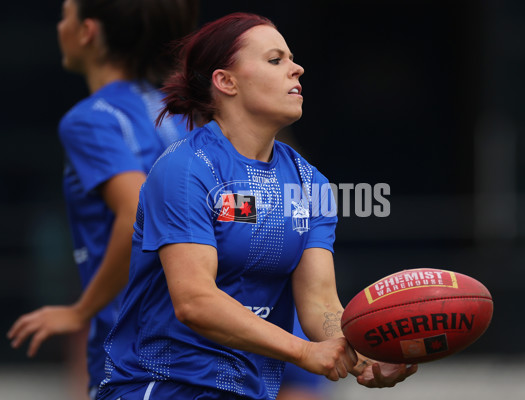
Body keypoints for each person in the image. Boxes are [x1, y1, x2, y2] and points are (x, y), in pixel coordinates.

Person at [96, 12, 418, 400]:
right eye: (275, 59)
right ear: (226, 81)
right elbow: (195, 302)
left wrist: (364, 352)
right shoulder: (185, 168)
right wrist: (303, 351)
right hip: (164, 388)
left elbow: (319, 303)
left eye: (292, 58)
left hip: (248, 393)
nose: (297, 69)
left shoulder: (308, 182)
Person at [7, 0, 198, 398]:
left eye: (65, 16)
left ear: (87, 32)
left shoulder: (91, 118)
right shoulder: (180, 113)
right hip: (201, 357)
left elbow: (135, 213)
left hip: (136, 360)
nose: (60, 27)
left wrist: (80, 311)